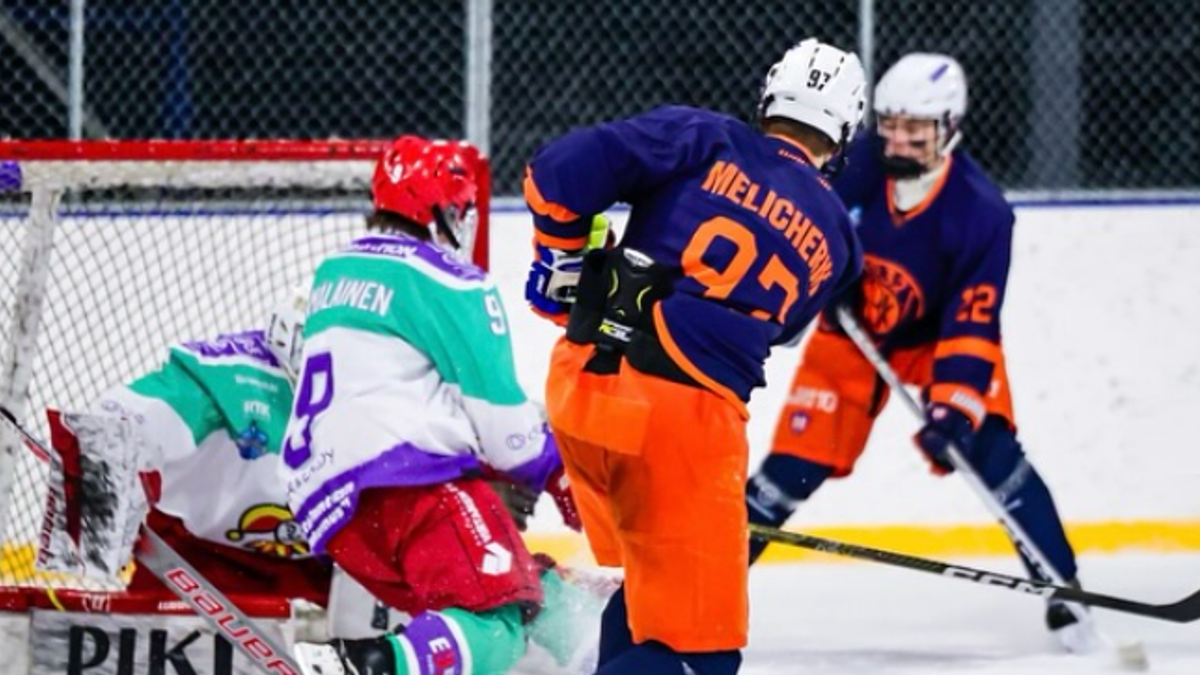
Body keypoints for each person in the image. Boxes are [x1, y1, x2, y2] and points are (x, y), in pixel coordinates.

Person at [524, 38, 867, 675]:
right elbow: (778, 330)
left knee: (649, 601)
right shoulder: (842, 243)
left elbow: (557, 172)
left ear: (769, 98)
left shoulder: (703, 135)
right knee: (702, 655)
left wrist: (562, 260)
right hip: (680, 421)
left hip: (581, 390)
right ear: (844, 133)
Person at [743, 52, 1096, 651]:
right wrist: (826, 280)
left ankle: (1063, 589)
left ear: (949, 128)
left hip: (935, 342)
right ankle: (707, 578)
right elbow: (797, 220)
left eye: (916, 127)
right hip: (851, 335)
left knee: (991, 453)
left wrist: (953, 408)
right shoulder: (854, 169)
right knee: (788, 472)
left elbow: (973, 321)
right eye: (890, 122)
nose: (899, 138)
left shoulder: (980, 213)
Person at [283, 135, 583, 675]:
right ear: (443, 208)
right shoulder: (448, 280)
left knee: (513, 588)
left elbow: (396, 390)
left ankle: (593, 640)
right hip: (408, 489)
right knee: (493, 624)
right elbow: (508, 435)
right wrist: (564, 477)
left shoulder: (331, 274)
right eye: (464, 208)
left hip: (331, 512)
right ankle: (362, 665)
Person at [90, 289, 330, 605]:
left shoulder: (387, 390)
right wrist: (99, 505)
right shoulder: (228, 376)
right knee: (149, 644)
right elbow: (111, 425)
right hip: (197, 556)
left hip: (321, 567)